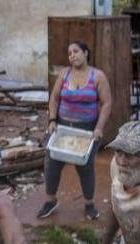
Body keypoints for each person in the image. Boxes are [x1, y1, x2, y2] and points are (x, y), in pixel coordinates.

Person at [37, 41, 112, 220]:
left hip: (87, 129)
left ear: (86, 53)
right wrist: (52, 120)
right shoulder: (64, 74)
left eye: (76, 51)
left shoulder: (97, 76)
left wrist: (99, 128)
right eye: (69, 53)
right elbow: (54, 99)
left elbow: (107, 102)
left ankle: (89, 204)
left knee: (85, 167)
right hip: (62, 127)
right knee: (52, 163)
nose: (72, 55)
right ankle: (50, 201)